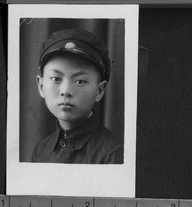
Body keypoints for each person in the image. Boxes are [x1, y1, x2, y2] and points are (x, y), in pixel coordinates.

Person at [31, 28, 123, 164]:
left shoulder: (113, 153)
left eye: (80, 81)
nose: (66, 91)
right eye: (56, 78)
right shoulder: (40, 150)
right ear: (41, 85)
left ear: (100, 90)